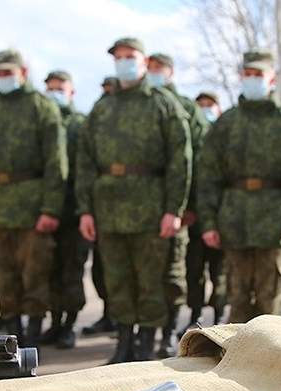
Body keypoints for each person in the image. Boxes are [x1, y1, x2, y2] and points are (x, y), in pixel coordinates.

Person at [76, 37, 190, 362]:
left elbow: (180, 160)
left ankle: (146, 346)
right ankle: (123, 345)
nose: (124, 62)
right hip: (109, 209)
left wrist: (173, 209)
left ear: (144, 61)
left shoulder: (163, 104)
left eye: (130, 56)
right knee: (117, 279)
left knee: (150, 280)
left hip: (150, 209)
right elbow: (85, 161)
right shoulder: (103, 107)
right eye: (119, 57)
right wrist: (86, 210)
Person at [197, 50, 281, 323]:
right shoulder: (227, 123)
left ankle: (268, 350)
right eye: (248, 74)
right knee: (236, 299)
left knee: (269, 301)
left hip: (274, 223)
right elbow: (209, 176)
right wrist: (209, 222)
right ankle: (236, 350)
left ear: (272, 78)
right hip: (234, 220)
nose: (252, 79)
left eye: (258, 74)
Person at [0, 49, 66, 346]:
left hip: (32, 205)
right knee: (2, 274)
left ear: (23, 73)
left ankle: (33, 331)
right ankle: (11, 331)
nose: (3, 77)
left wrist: (50, 208)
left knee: (35, 272)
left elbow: (56, 163)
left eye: (9, 72)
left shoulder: (41, 107)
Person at [146, 52, 209, 357]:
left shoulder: (186, 107)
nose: (153, 72)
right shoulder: (141, 105)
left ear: (170, 71)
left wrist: (189, 207)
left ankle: (169, 331)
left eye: (159, 68)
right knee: (147, 274)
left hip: (177, 209)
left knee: (174, 273)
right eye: (150, 67)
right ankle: (146, 333)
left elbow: (198, 160)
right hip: (144, 208)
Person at [41, 69, 88, 349]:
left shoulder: (80, 125)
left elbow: (86, 168)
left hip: (72, 211)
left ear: (72, 92)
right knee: (49, 270)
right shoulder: (42, 121)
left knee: (72, 269)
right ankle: (55, 321)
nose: (54, 93)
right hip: (47, 211)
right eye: (50, 88)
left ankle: (70, 324)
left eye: (60, 88)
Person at [181, 90, 227, 334]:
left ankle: (220, 316)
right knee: (194, 270)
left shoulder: (225, 136)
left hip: (221, 217)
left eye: (211, 104)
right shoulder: (191, 137)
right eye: (201, 105)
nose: (206, 109)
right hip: (195, 219)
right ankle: (195, 315)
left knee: (220, 272)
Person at [80, 75, 122, 337]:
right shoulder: (98, 116)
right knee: (102, 270)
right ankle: (109, 315)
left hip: (131, 209)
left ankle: (124, 322)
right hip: (102, 207)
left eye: (111, 90)